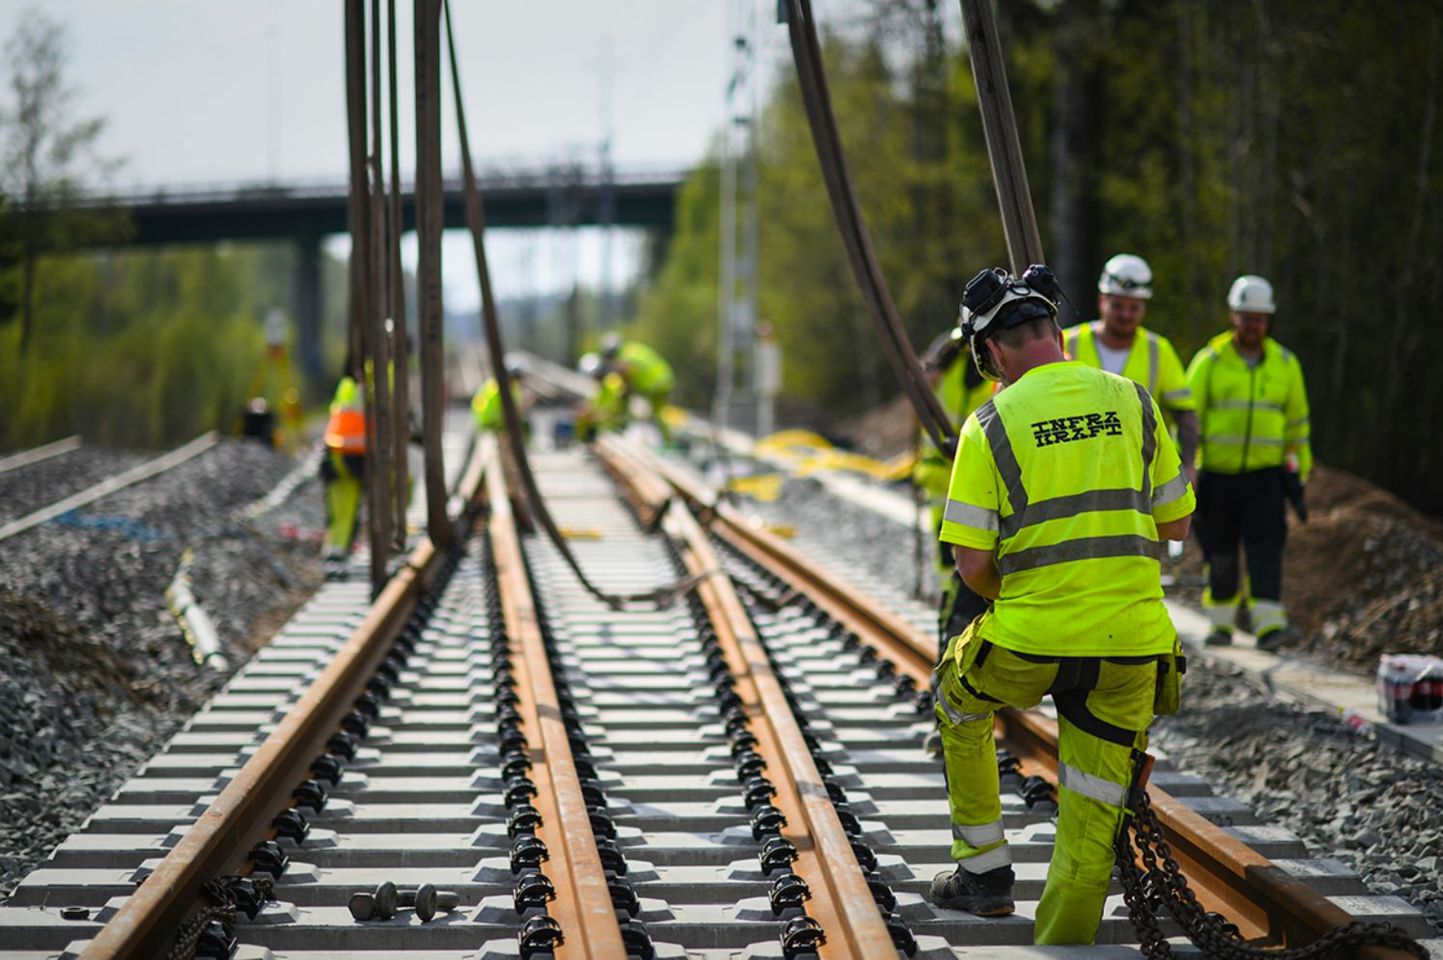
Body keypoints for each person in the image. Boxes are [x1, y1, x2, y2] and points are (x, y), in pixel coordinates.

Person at [929, 265, 1194, 945]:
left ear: (989, 352)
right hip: (1131, 645)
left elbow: (971, 565)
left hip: (1028, 642)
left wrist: (1021, 597)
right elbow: (1174, 527)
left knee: (956, 702)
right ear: (1057, 332)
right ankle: (1065, 942)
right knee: (1093, 801)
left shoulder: (987, 423)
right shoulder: (1135, 399)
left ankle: (983, 874)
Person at [1185, 275, 1311, 651]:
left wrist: (1300, 473)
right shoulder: (1209, 362)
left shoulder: (1286, 364)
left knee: (1265, 550)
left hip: (1266, 478)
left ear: (1268, 320)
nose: (1253, 324)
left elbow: (1298, 424)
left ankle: (1269, 628)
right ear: (1232, 317)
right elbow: (1188, 421)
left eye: (1259, 318)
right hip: (1217, 477)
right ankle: (1220, 625)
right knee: (1219, 552)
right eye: (1246, 317)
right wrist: (1183, 469)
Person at [1063, 254, 1199, 480]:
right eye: (1117, 306)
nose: (1125, 315)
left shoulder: (1159, 350)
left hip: (1141, 473)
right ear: (1101, 301)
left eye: (1133, 308)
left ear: (1144, 307)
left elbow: (1184, 414)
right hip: (1078, 470)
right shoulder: (1068, 343)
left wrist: (1189, 465)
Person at [913, 325, 994, 645]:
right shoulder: (956, 370)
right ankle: (951, 647)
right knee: (955, 578)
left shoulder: (955, 368)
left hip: (960, 487)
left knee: (962, 577)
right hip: (946, 486)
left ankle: (955, 644)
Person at [320, 370, 366, 578]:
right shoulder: (362, 392)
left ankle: (333, 554)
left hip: (334, 458)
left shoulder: (345, 388)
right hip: (351, 459)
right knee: (345, 513)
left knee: (337, 514)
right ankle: (336, 556)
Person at [600, 332, 675, 442]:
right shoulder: (632, 348)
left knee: (655, 414)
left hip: (654, 384)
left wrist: (627, 389)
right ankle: (668, 441)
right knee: (658, 414)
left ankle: (620, 428)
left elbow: (626, 372)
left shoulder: (623, 356)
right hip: (664, 378)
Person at [574, 352, 628, 443]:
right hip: (605, 432)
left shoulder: (613, 383)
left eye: (594, 376)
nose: (593, 379)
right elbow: (597, 405)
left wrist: (593, 416)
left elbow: (614, 411)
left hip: (617, 432)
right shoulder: (601, 388)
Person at [471, 363, 526, 434]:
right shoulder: (495, 386)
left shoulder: (514, 388)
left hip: (499, 422)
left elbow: (517, 406)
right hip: (488, 422)